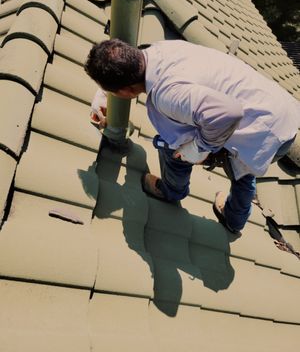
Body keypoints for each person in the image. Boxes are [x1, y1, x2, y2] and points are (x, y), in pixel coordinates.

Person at [84, 39, 300, 234]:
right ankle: (236, 220)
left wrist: (199, 148)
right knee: (242, 170)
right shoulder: (160, 50)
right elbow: (129, 63)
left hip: (266, 132)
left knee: (175, 145)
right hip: (279, 109)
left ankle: (172, 191)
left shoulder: (167, 93)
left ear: (126, 91)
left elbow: (228, 113)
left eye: (113, 92)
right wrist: (104, 94)